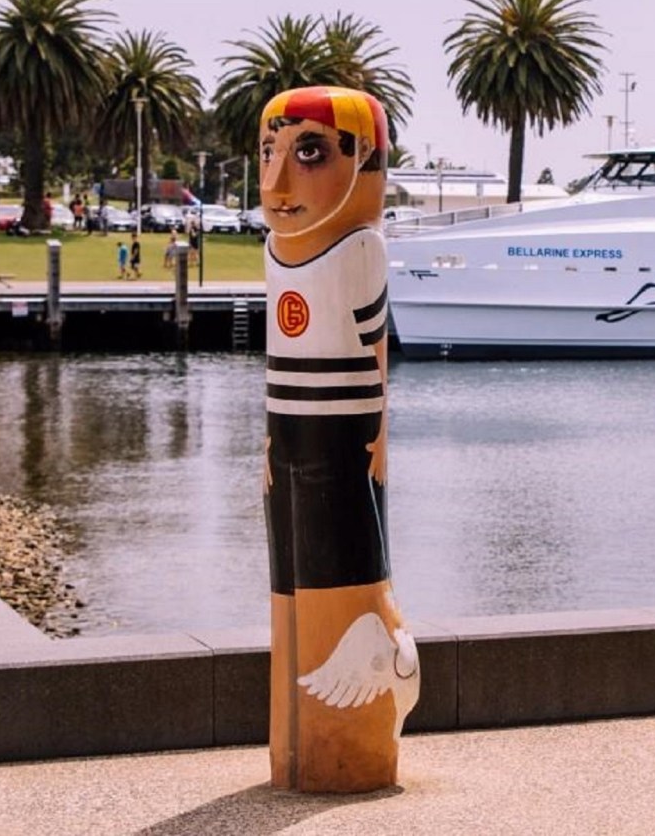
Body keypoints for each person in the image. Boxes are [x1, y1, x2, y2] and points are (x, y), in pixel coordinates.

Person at [260, 86, 417, 792]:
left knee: (341, 584)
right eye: (267, 152)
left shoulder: (360, 248)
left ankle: (356, 731)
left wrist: (377, 436)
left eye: (309, 153)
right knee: (287, 592)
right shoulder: (276, 251)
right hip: (285, 436)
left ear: (367, 162)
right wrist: (269, 441)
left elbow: (375, 349)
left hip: (343, 437)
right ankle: (291, 747)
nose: (276, 181)